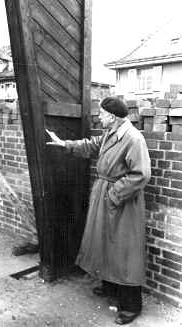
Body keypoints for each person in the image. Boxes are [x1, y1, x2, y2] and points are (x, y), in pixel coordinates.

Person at [46, 96, 151, 325]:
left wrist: (114, 195)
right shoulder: (110, 134)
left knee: (123, 251)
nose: (98, 117)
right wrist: (65, 144)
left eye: (101, 114)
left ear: (112, 116)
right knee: (104, 243)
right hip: (107, 196)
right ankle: (111, 287)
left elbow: (140, 174)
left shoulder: (133, 138)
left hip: (122, 201)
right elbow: (91, 146)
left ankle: (131, 306)